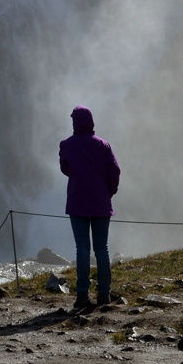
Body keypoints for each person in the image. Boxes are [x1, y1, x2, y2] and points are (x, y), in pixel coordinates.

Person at [59, 104, 120, 311]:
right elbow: (115, 170)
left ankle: (82, 294)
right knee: (102, 248)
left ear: (75, 122)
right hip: (101, 203)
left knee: (82, 248)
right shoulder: (104, 145)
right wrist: (108, 191)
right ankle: (104, 294)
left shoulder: (67, 145)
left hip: (78, 202)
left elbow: (65, 169)